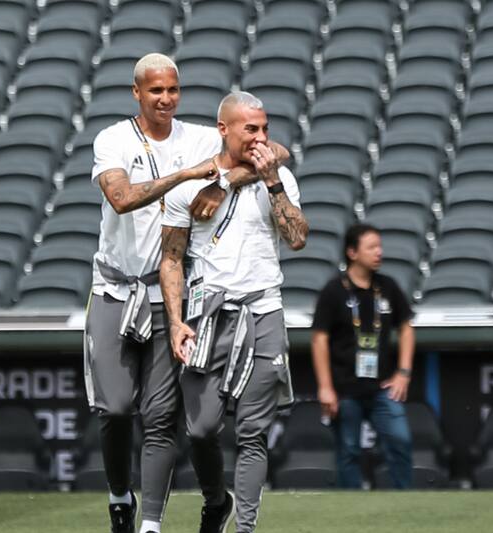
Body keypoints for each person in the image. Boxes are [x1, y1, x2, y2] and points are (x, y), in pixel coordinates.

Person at [85, 54, 288, 533]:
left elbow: (273, 152)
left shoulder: (199, 135)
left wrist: (219, 181)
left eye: (173, 90)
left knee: (161, 417)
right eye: (155, 91)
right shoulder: (113, 139)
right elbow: (122, 197)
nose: (165, 99)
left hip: (170, 294)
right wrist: (187, 175)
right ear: (137, 93)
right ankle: (119, 495)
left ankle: (150, 524)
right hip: (116, 287)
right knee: (113, 408)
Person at [160, 91, 308, 533]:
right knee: (202, 429)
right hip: (210, 314)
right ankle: (215, 499)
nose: (261, 137)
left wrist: (273, 183)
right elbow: (170, 257)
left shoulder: (278, 177)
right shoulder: (192, 185)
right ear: (222, 129)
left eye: (265, 128)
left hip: (264, 309)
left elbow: (297, 238)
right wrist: (175, 321)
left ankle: (245, 528)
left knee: (252, 433)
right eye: (251, 129)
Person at [310, 223, 415, 489]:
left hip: (382, 387)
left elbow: (406, 328)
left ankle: (407, 502)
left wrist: (403, 373)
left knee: (400, 440)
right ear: (352, 252)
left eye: (380, 247)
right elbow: (319, 339)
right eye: (372, 247)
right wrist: (325, 387)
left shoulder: (388, 287)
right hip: (345, 388)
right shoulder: (334, 291)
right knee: (349, 451)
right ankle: (350, 511)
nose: (379, 253)